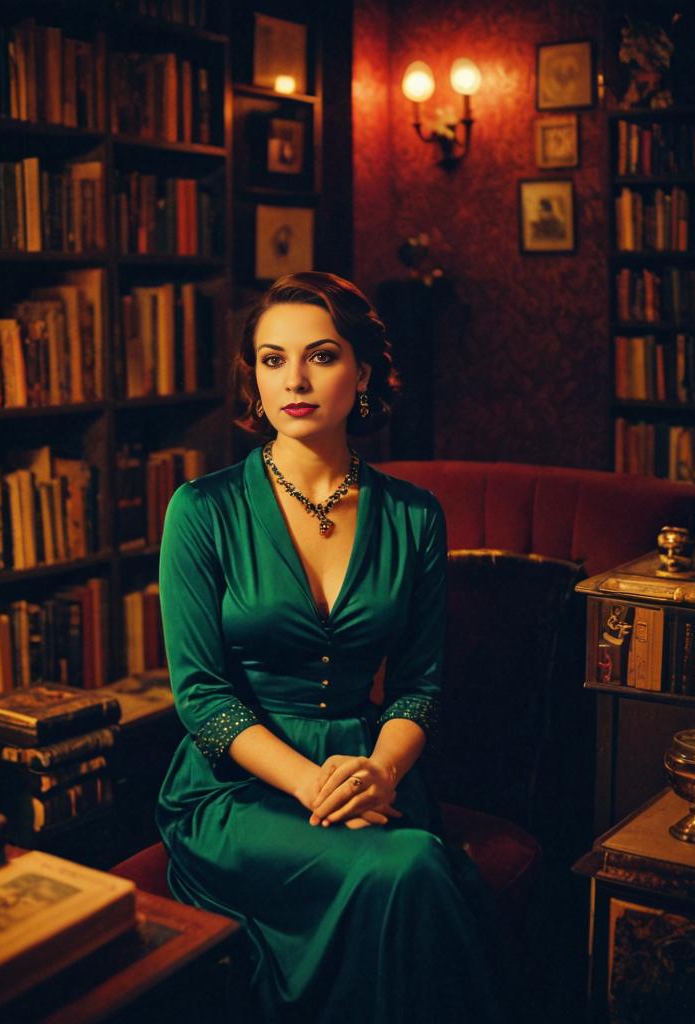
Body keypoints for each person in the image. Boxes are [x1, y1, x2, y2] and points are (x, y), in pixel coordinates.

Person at [155, 271, 504, 1023]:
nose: (295, 379)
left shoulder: (414, 516)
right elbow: (201, 698)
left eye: (321, 355)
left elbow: (418, 685)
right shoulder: (201, 510)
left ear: (364, 372)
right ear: (253, 376)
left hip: (363, 766)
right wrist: (310, 785)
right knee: (410, 865)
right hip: (237, 786)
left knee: (408, 861)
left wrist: (379, 770)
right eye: (272, 359)